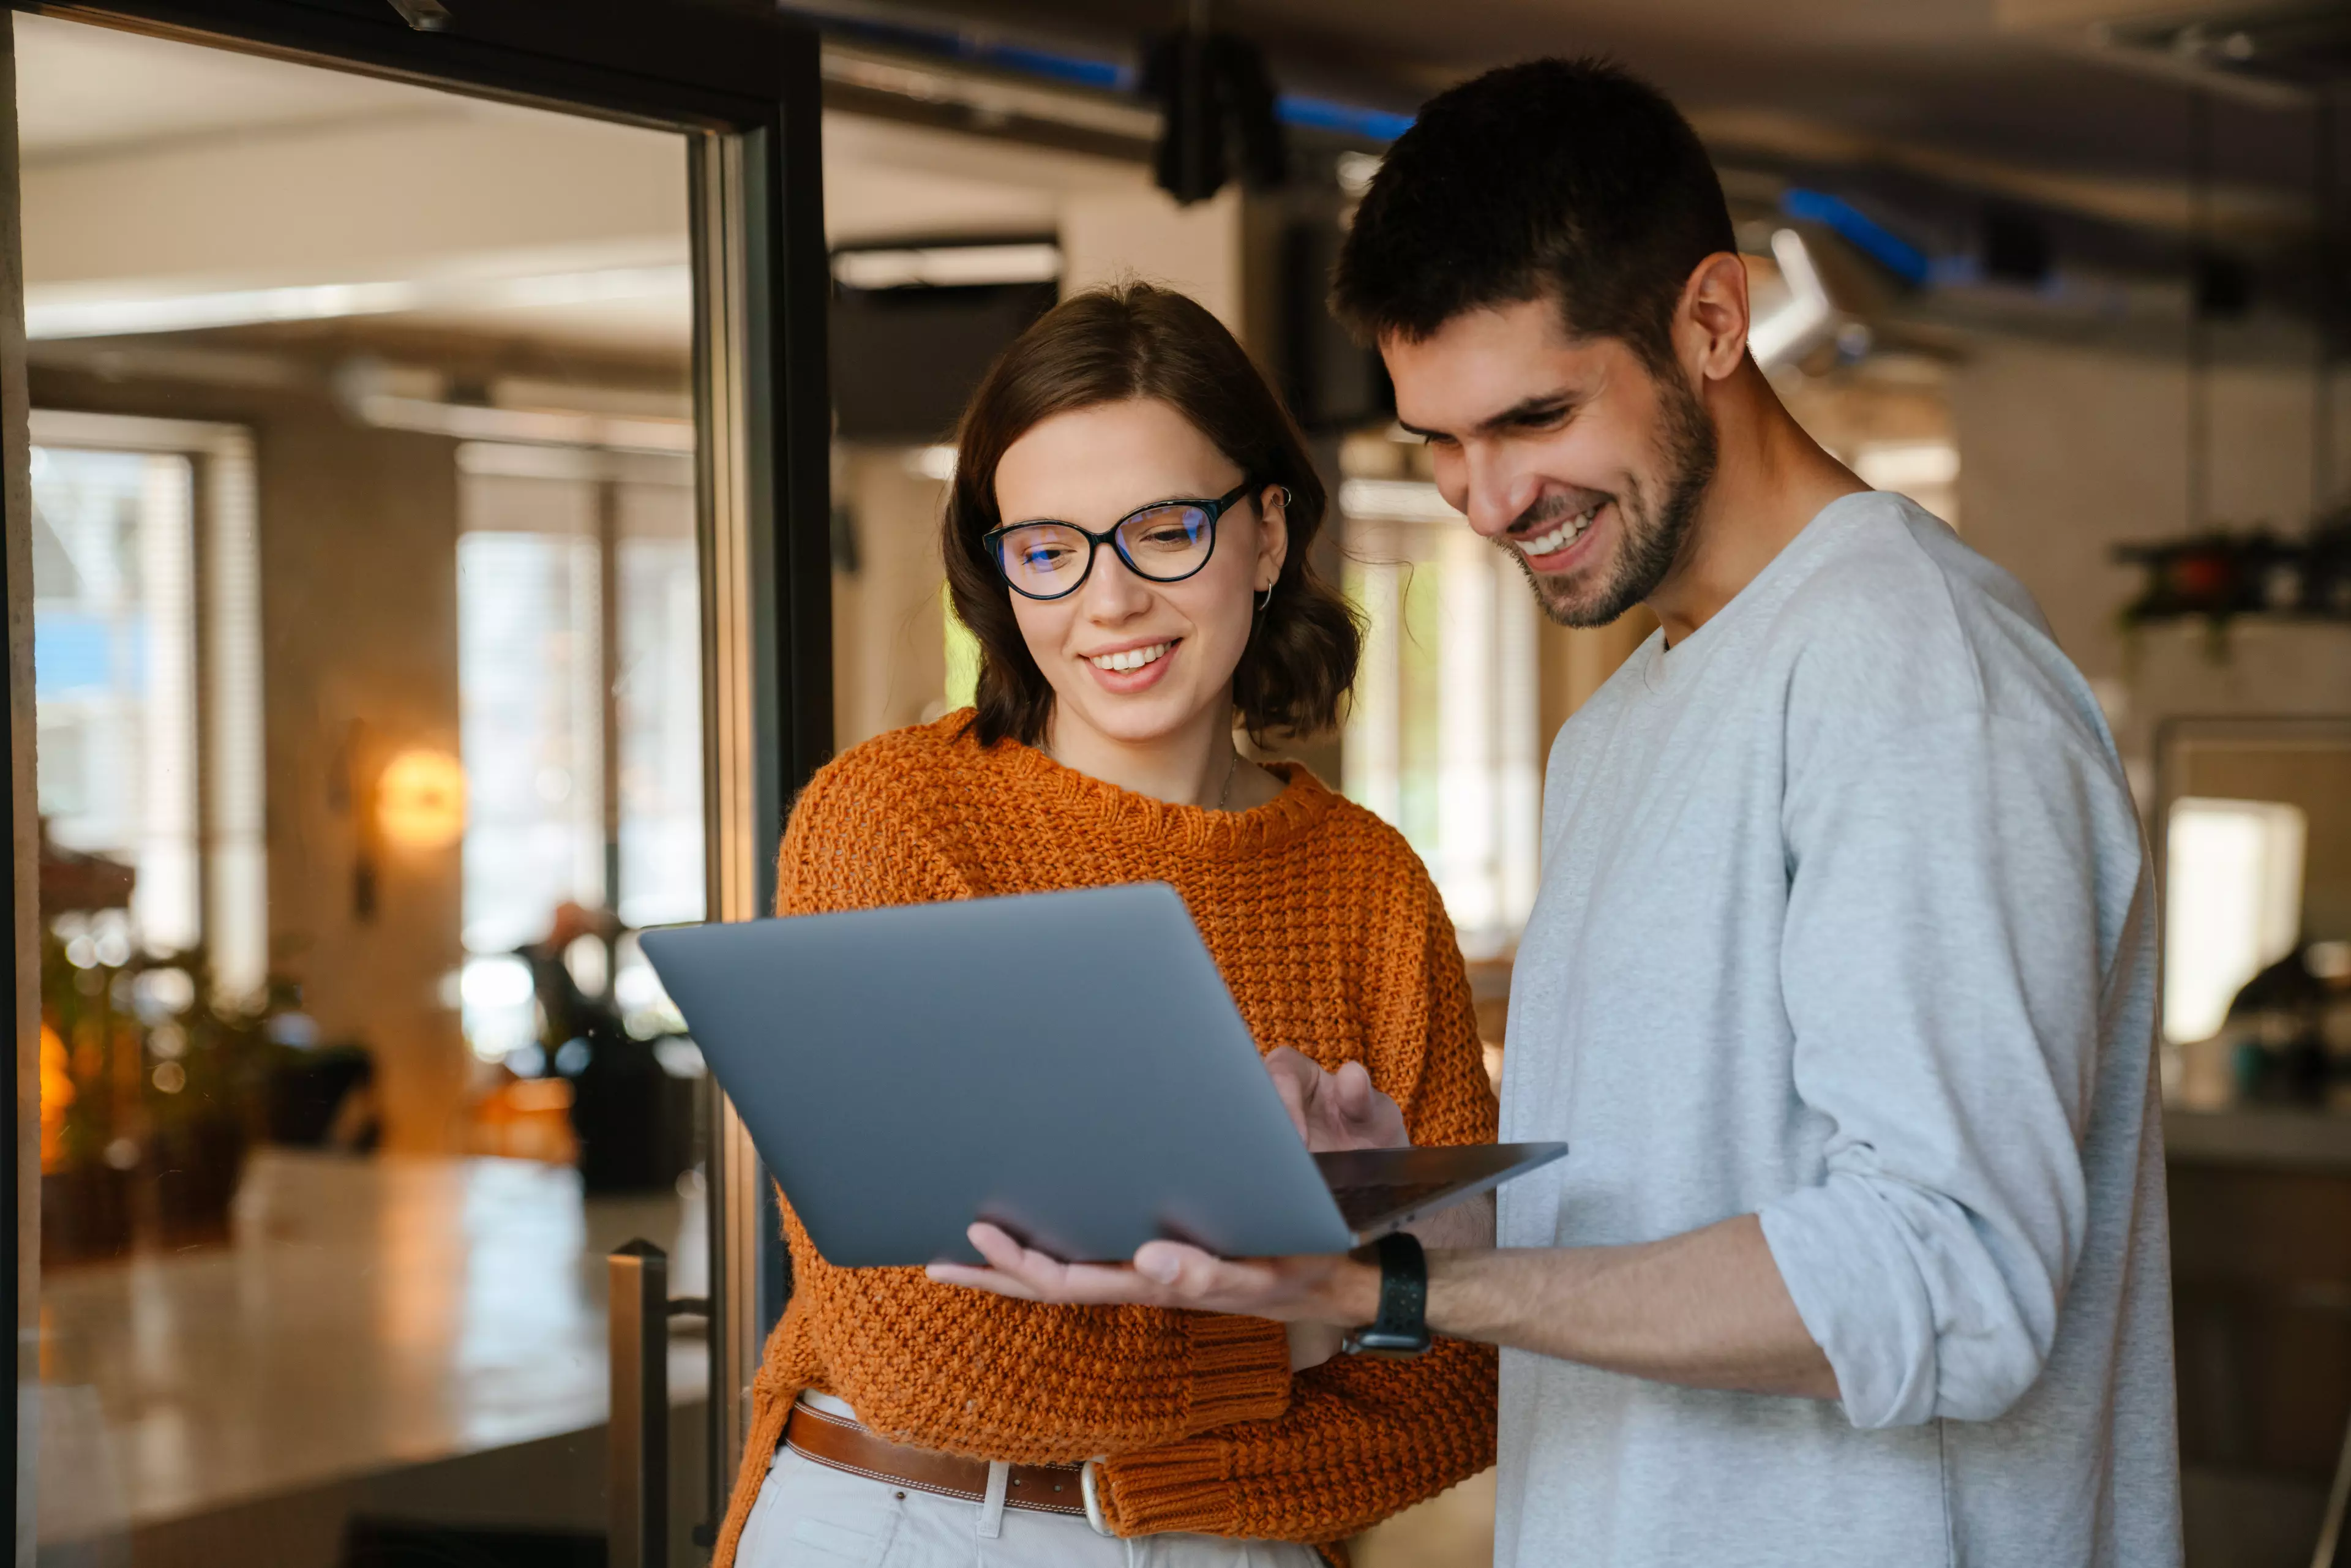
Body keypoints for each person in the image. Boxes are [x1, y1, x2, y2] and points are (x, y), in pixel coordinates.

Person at [931, 59, 2183, 1568]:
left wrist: (1396, 1295)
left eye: (1533, 416)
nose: (1487, 496)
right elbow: (1644, 1248)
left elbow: (1958, 1280)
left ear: (1713, 321)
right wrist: (1392, 1222)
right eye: (1438, 441)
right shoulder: (1618, 733)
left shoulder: (1917, 674)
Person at [713, 282, 1501, 1568]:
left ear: (1263, 531)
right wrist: (1320, 1313)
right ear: (1002, 568)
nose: (1110, 598)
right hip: (908, 1522)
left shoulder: (1372, 886)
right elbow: (923, 1358)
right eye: (1050, 547)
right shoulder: (898, 823)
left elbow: (1456, 1386)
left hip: (1239, 1547)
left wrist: (1327, 1320)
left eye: (1164, 530)